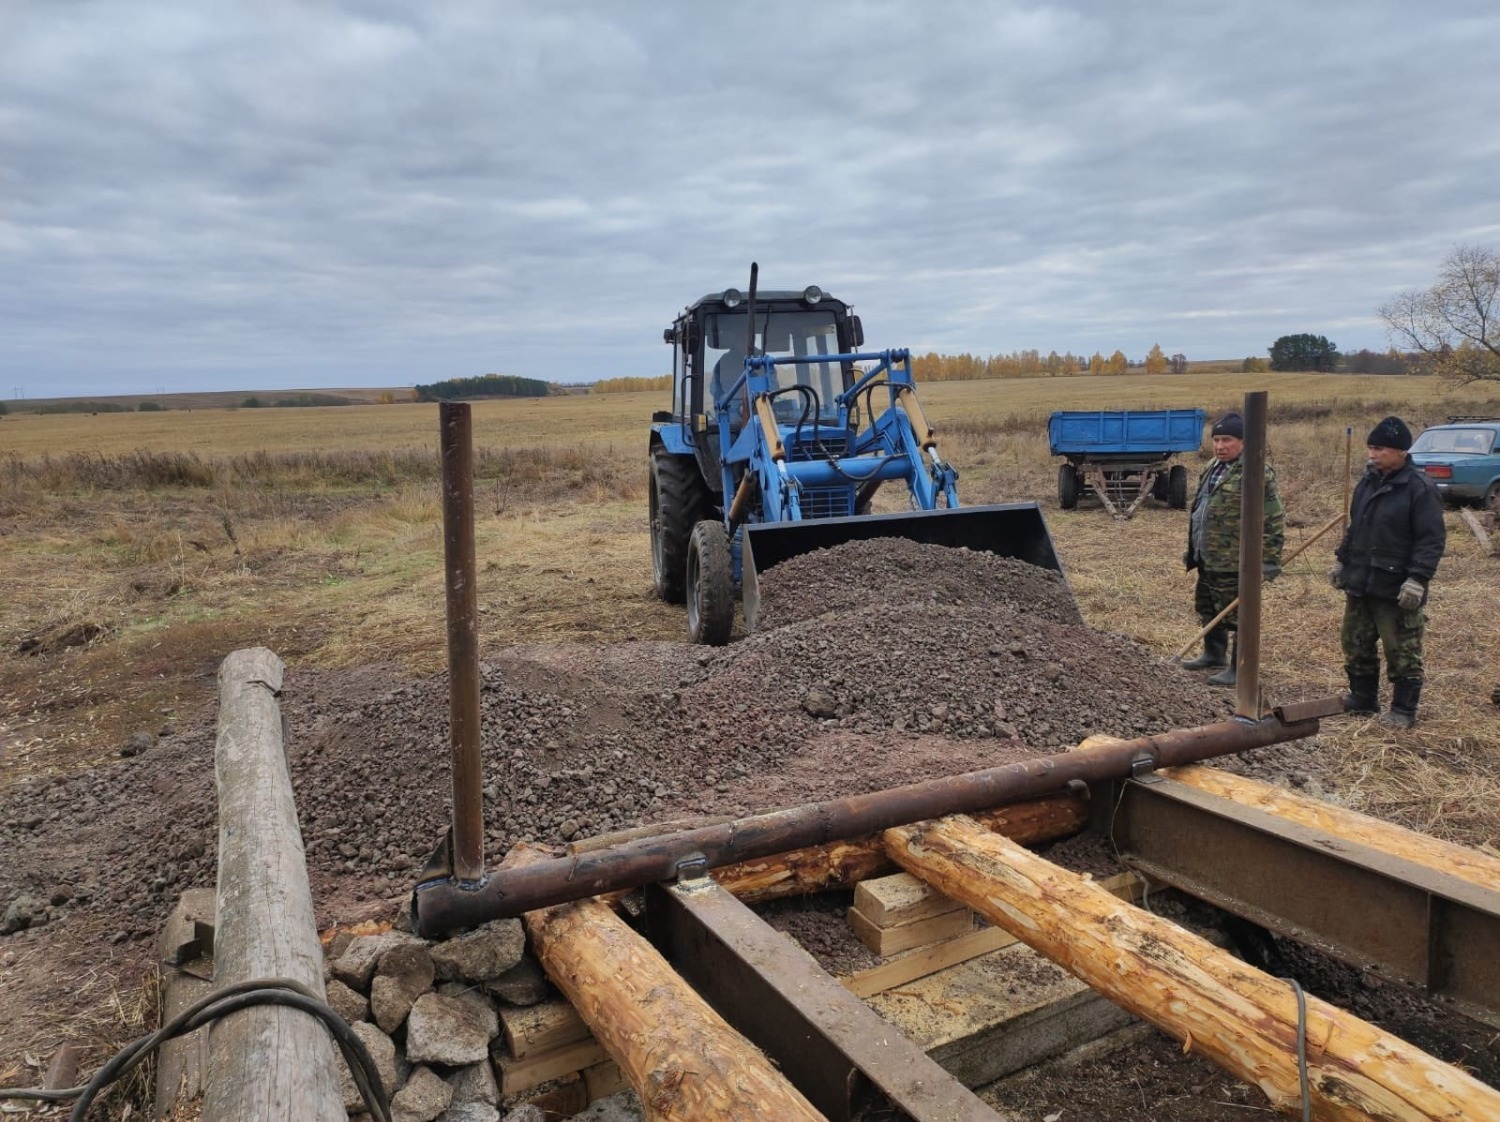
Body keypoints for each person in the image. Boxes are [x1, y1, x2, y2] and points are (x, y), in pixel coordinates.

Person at [1331, 416, 1446, 729]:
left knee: (1402, 649)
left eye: (1379, 449)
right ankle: (1363, 698)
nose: (1372, 454)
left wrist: (1417, 579)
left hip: (1396, 585)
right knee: (1355, 642)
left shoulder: (1419, 489)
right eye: (1370, 448)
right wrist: (1342, 560)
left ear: (1400, 452)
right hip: (1361, 580)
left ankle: (1403, 711)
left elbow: (1431, 540)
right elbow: (1357, 527)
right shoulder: (1367, 483)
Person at [1181, 411, 1285, 686]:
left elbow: (1272, 517)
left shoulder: (1255, 471)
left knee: (1239, 616)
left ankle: (1241, 669)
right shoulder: (1212, 467)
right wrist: (1193, 549)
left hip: (1235, 560)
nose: (1219, 446)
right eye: (1216, 440)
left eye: (1227, 440)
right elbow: (1201, 510)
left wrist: (1270, 559)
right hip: (1208, 555)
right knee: (1207, 606)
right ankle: (1214, 654)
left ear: (1243, 441)